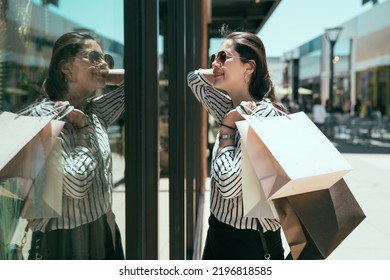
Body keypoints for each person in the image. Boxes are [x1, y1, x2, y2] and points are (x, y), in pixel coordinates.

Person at [24, 31, 125, 260]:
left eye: (106, 59)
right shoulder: (42, 117)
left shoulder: (94, 110)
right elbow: (77, 185)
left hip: (103, 226)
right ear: (65, 68)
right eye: (93, 56)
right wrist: (83, 132)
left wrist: (102, 73)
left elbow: (141, 80)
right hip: (65, 241)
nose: (103, 63)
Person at [187, 29, 286, 260]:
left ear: (249, 67)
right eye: (214, 57)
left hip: (249, 244)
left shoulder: (263, 116)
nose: (214, 63)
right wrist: (222, 70)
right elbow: (193, 79)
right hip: (220, 232)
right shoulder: (231, 107)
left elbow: (228, 185)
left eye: (223, 57)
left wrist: (226, 129)